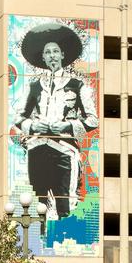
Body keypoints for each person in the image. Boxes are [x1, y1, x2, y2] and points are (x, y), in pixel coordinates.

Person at [14, 23, 98, 219]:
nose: (51, 55)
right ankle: (36, 241)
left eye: (55, 51)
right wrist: (33, 125)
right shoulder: (34, 86)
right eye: (47, 52)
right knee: (38, 204)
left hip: (64, 150)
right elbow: (19, 117)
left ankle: (64, 236)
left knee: (65, 201)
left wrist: (67, 125)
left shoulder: (77, 85)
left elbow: (93, 120)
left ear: (62, 55)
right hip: (37, 149)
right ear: (42, 57)